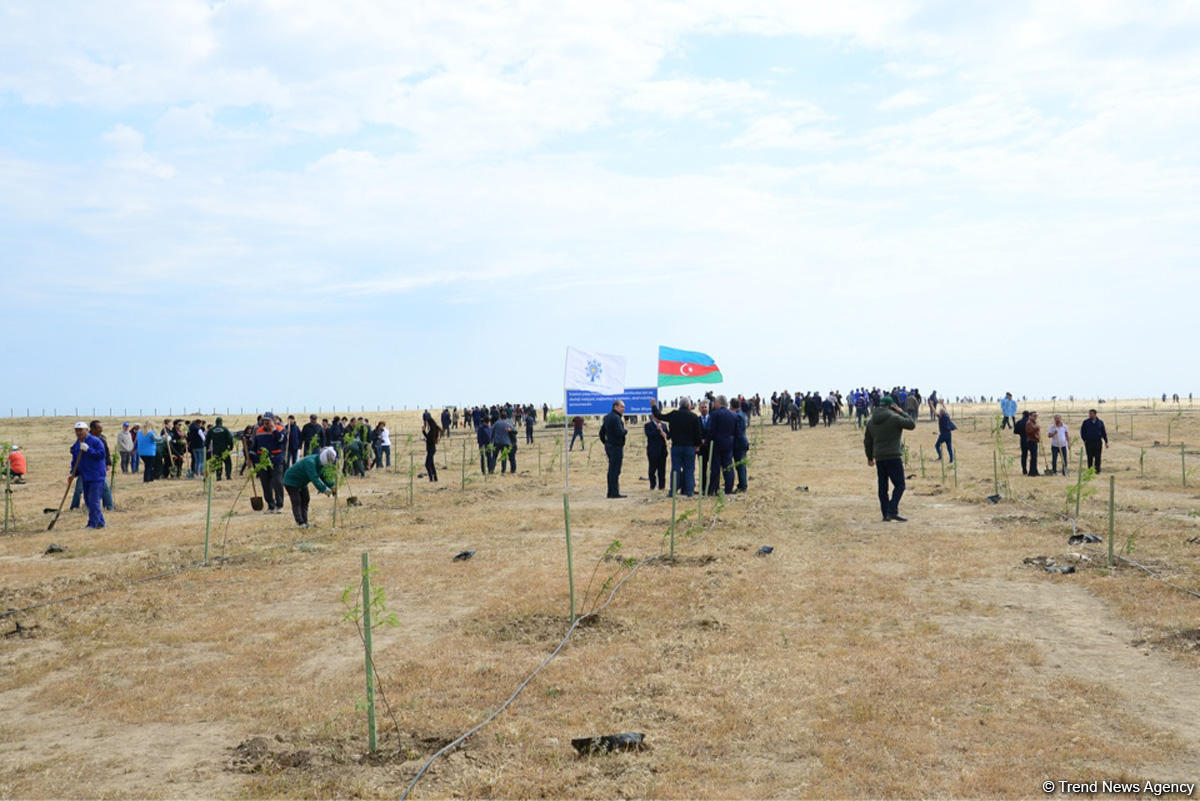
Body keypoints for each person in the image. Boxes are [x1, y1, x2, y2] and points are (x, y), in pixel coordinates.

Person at [863, 396, 916, 522]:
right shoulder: (894, 418)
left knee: (883, 487)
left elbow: (867, 442)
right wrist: (901, 411)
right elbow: (911, 424)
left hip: (879, 458)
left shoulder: (871, 422)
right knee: (900, 485)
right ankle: (892, 511)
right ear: (891, 406)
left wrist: (870, 457)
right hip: (893, 456)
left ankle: (885, 514)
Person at [651, 397, 702, 496]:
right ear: (688, 405)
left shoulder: (674, 414)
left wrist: (653, 406)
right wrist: (697, 445)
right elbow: (698, 434)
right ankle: (689, 491)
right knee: (689, 469)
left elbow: (659, 416)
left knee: (675, 469)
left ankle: (673, 491)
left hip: (676, 446)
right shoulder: (694, 417)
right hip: (689, 447)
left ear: (679, 404)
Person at [283, 446, 336, 528]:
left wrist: (332, 485)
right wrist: (325, 490)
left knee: (306, 498)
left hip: (302, 482)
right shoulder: (310, 462)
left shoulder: (319, 463)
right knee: (297, 501)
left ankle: (305, 521)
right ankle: (300, 522)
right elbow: (315, 478)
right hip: (291, 481)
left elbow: (322, 476)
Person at [69, 421, 108, 529]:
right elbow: (75, 459)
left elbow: (101, 454)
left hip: (96, 475)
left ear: (87, 430)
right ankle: (100, 522)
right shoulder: (77, 443)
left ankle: (92, 524)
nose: (79, 433)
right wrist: (73, 472)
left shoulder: (96, 441)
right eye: (77, 431)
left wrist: (89, 450)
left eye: (81, 430)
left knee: (94, 500)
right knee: (88, 500)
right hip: (85, 475)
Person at [252, 413, 287, 513]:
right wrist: (250, 458)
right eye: (264, 420)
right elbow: (254, 446)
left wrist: (274, 430)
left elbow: (281, 440)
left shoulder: (280, 429)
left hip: (276, 460)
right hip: (263, 462)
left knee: (277, 482)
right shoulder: (258, 431)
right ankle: (271, 505)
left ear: (273, 420)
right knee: (265, 484)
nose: (266, 423)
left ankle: (279, 505)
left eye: (268, 420)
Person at [706, 395, 737, 496]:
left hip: (716, 444)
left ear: (718, 403)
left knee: (715, 468)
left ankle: (713, 489)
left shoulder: (714, 414)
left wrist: (707, 441)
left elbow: (711, 430)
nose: (714, 404)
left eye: (715, 402)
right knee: (728, 466)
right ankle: (729, 489)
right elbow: (736, 431)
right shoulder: (733, 415)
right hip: (729, 443)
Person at [598, 400, 627, 498]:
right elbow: (620, 432)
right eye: (622, 407)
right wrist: (625, 431)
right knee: (615, 470)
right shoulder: (616, 418)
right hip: (616, 447)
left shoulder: (607, 417)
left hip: (610, 446)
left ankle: (610, 492)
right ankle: (614, 492)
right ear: (615, 407)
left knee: (611, 470)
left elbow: (601, 433)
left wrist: (606, 443)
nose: (623, 409)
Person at [1080, 409, 1109, 473]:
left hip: (1098, 442)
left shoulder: (1100, 422)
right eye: (1089, 414)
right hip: (1089, 442)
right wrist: (1085, 440)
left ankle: (1097, 470)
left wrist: (1106, 442)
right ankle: (1090, 470)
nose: (1090, 415)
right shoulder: (1086, 422)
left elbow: (1104, 432)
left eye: (1091, 414)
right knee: (1089, 456)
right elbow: (1082, 432)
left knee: (1098, 456)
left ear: (1095, 414)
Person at [644, 416, 669, 491]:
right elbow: (649, 435)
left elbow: (667, 436)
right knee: (652, 469)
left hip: (662, 451)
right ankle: (653, 485)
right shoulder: (648, 425)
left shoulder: (664, 425)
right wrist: (657, 429)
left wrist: (665, 434)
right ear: (654, 417)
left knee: (662, 469)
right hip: (653, 451)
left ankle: (662, 486)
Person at [731, 398, 750, 493]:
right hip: (742, 442)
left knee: (740, 465)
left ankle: (743, 485)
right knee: (741, 465)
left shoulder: (737, 416)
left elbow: (737, 431)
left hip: (739, 444)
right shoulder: (741, 413)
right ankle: (742, 484)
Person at [422, 417, 441, 482]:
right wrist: (424, 433)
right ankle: (435, 478)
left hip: (431, 449)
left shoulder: (431, 432)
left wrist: (424, 432)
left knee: (427, 464)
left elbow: (429, 440)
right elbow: (429, 439)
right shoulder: (432, 431)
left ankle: (431, 478)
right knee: (431, 464)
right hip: (431, 449)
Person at [1024, 411, 1042, 476]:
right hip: (1031, 441)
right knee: (1033, 457)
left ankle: (1034, 470)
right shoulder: (1029, 423)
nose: (1035, 417)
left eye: (1036, 416)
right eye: (1034, 416)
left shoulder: (1034, 423)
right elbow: (1029, 431)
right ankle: (1032, 472)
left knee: (1034, 457)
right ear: (1030, 416)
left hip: (1034, 441)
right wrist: (1036, 428)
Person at [1014, 411, 1031, 475]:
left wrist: (1021, 433)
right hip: (1031, 439)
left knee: (1024, 455)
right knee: (1033, 455)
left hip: (1023, 439)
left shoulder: (1019, 422)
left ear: (1023, 415)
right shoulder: (1031, 422)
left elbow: (1015, 431)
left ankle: (1024, 469)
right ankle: (1032, 469)